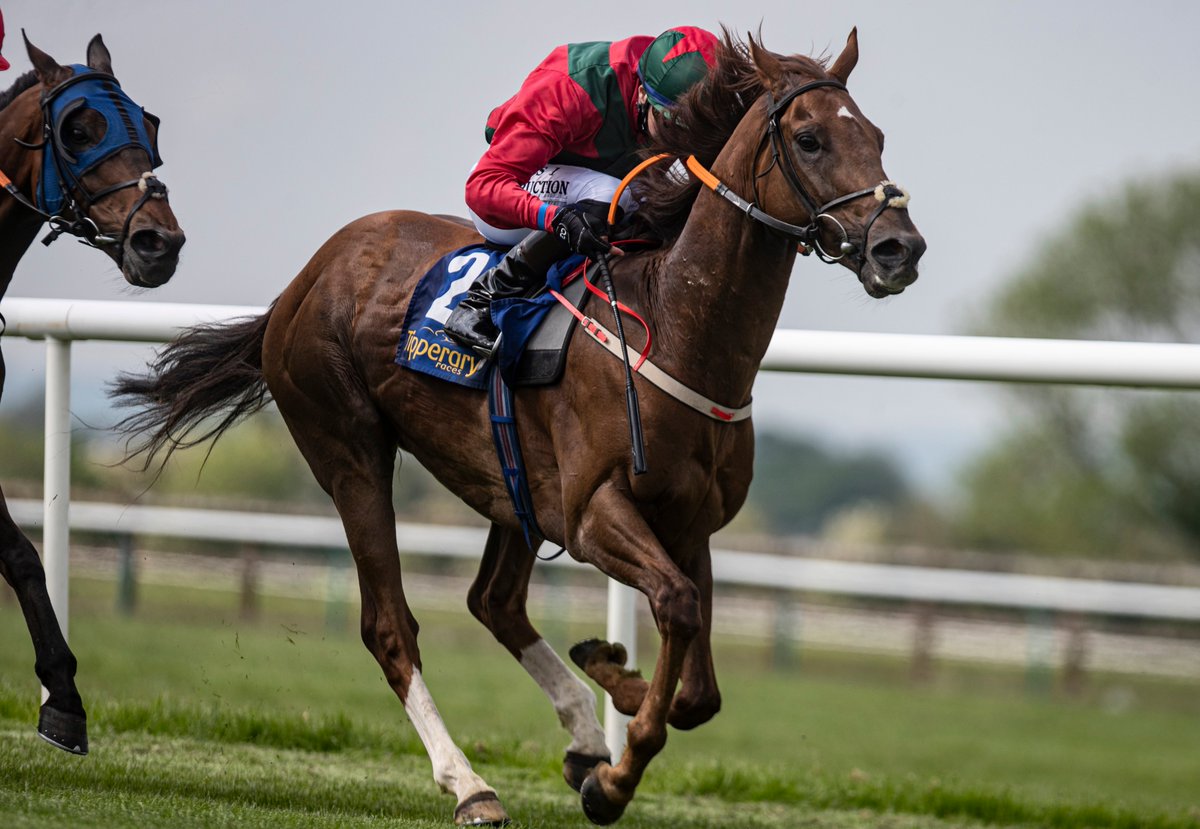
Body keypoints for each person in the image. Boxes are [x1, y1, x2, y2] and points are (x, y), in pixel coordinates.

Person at [445, 26, 718, 355]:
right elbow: (483, 188)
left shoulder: (691, 89)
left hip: (589, 185)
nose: (679, 142)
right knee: (614, 193)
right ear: (644, 95)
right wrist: (556, 219)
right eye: (673, 124)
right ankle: (485, 298)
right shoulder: (570, 89)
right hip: (513, 189)